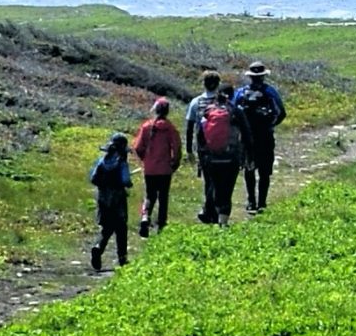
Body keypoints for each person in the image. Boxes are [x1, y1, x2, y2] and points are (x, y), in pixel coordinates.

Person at [185, 69, 243, 224]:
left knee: (209, 181)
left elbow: (190, 127)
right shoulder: (225, 104)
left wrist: (190, 149)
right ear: (218, 84)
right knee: (222, 182)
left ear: (203, 84)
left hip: (205, 149)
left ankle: (209, 210)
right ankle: (218, 212)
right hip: (227, 150)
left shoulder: (196, 102)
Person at [232, 61, 286, 214]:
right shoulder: (270, 91)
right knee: (264, 171)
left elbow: (233, 112)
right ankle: (262, 202)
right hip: (265, 136)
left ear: (250, 76)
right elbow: (282, 112)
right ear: (263, 76)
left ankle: (251, 201)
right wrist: (270, 126)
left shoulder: (241, 93)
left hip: (247, 138)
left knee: (249, 168)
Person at [132, 96, 180, 236]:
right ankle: (161, 225)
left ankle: (145, 217)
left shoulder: (147, 126)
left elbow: (138, 147)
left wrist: (145, 159)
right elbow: (176, 149)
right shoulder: (170, 128)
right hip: (165, 169)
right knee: (163, 197)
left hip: (150, 168)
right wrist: (174, 163)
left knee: (149, 195)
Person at [87, 131, 132, 269]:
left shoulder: (102, 161)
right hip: (118, 200)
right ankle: (122, 258)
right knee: (121, 228)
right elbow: (126, 180)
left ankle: (98, 247)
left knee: (106, 228)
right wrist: (128, 184)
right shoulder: (122, 163)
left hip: (103, 199)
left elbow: (93, 178)